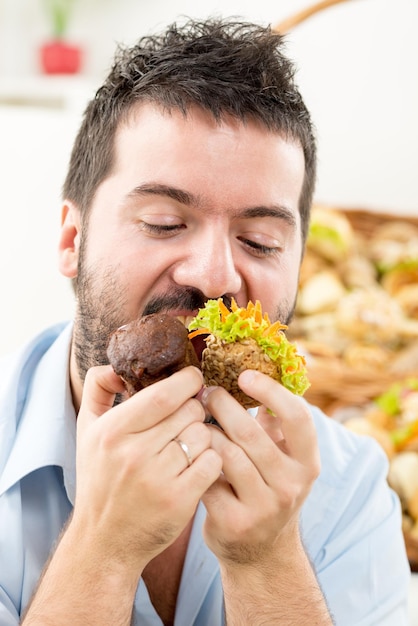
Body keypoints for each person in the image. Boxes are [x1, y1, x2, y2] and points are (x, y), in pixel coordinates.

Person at [0, 17, 411, 626]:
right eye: (165, 223)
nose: (215, 277)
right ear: (73, 238)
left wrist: (267, 563)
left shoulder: (349, 491)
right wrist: (102, 550)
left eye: (260, 240)